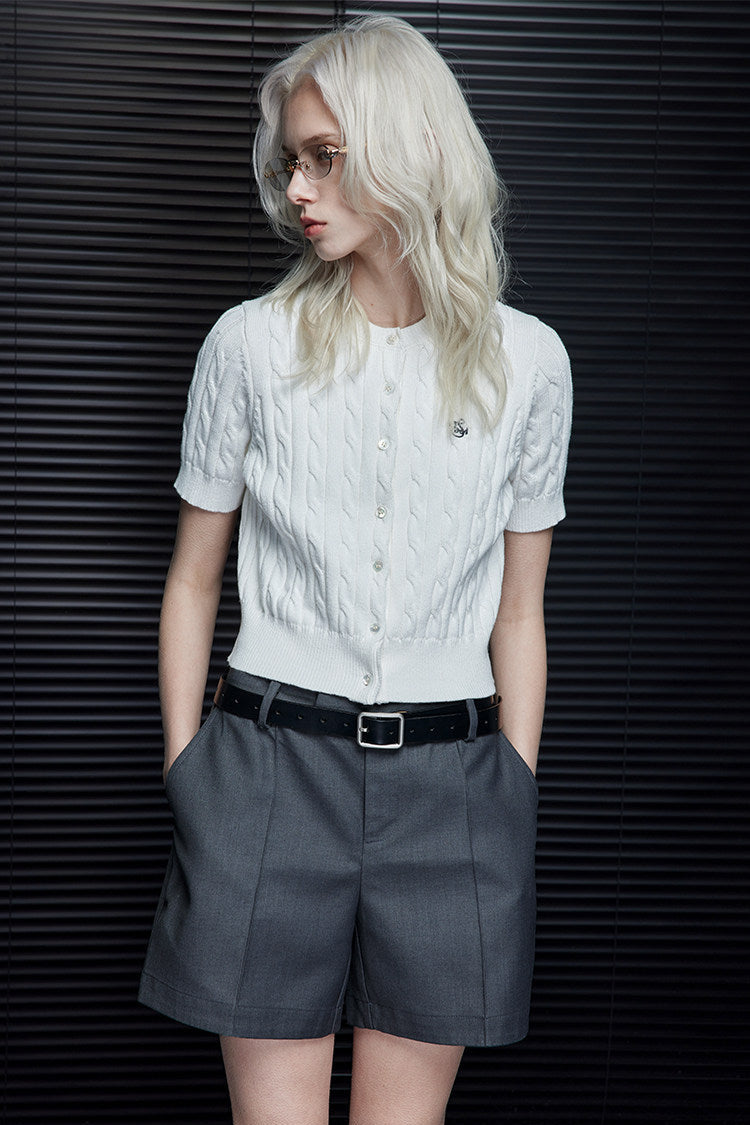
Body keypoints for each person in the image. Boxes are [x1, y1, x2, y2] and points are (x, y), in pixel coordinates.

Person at [139, 13, 572, 1125]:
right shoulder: (248, 345)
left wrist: (511, 785)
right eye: (292, 160)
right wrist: (192, 770)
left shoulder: (529, 363)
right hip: (266, 774)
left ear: (409, 147)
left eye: (326, 156)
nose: (298, 188)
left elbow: (521, 613)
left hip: (454, 790)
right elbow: (192, 580)